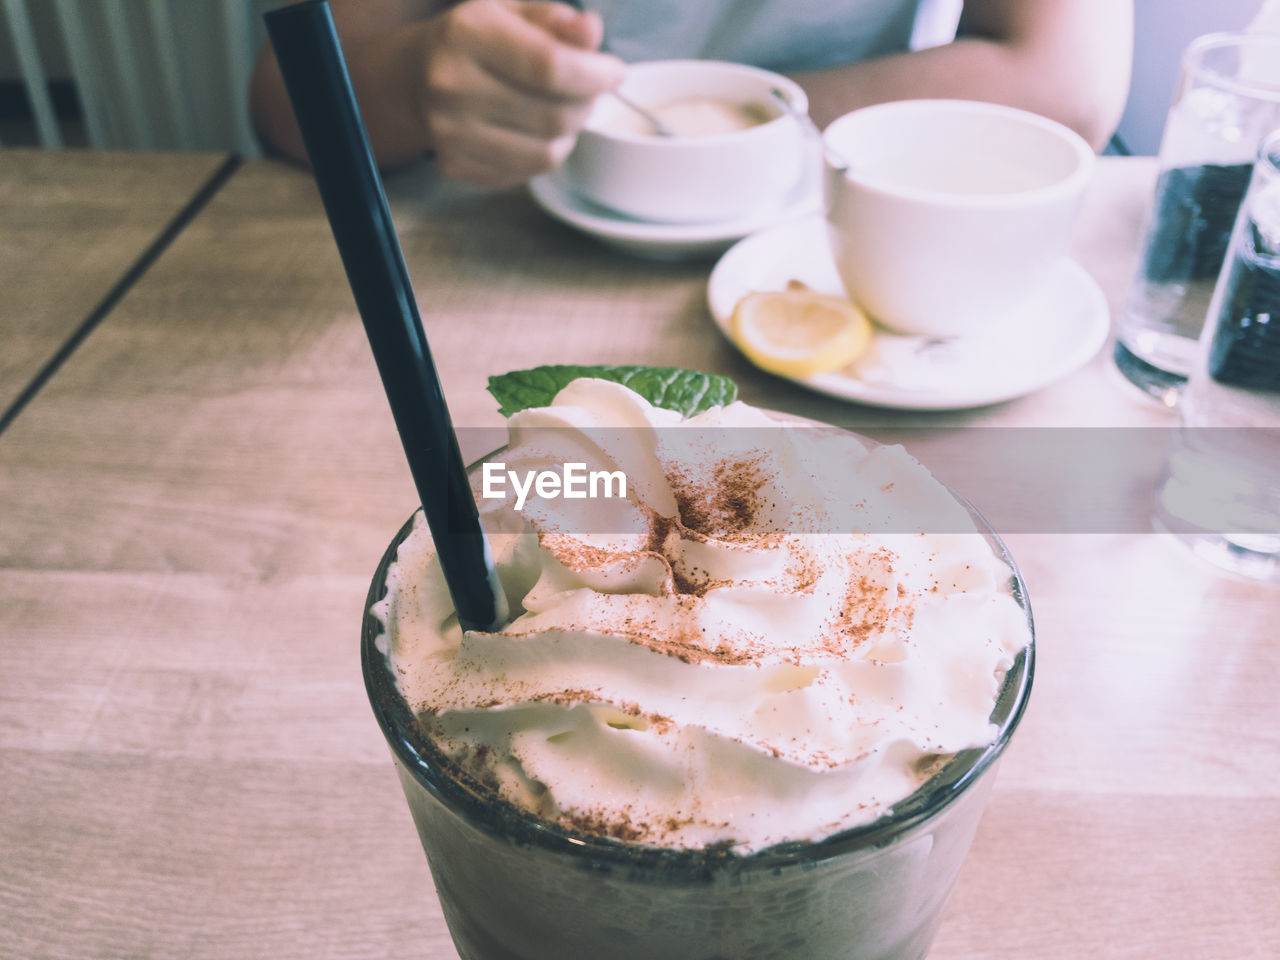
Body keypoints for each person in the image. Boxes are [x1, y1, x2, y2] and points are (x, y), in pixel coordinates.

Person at [250, 0, 1132, 188]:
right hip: (495, 227)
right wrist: (417, 80)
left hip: (836, 222)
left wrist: (731, 128)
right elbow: (288, 99)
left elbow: (1065, 83)